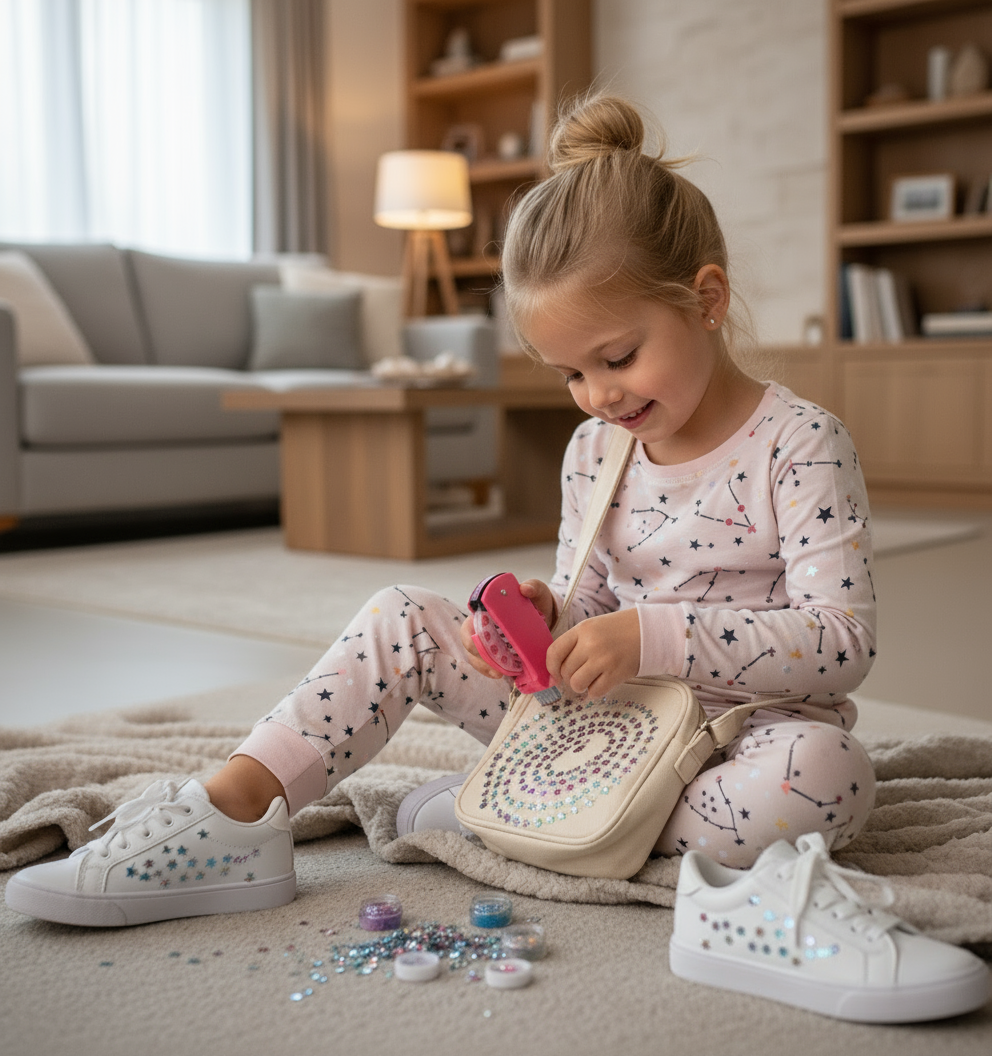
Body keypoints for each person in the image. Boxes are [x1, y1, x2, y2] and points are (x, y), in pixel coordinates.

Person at [7, 93, 880, 924]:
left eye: (617, 356)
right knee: (401, 619)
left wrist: (652, 635)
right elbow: (598, 611)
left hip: (749, 736)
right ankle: (234, 813)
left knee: (828, 776)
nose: (597, 396)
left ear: (708, 299)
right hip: (603, 733)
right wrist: (552, 619)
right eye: (571, 373)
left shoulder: (799, 443)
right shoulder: (595, 452)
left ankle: (510, 818)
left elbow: (841, 643)